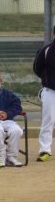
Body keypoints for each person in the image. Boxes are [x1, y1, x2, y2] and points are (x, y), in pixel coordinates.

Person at [32, 26, 55, 162]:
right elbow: (37, 68)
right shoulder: (46, 50)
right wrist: (49, 80)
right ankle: (45, 150)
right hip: (50, 91)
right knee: (48, 120)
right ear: (54, 34)